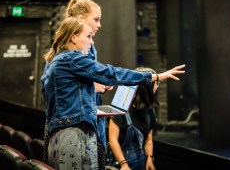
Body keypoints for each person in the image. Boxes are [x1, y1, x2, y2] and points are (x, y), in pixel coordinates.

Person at [41, 17, 185, 169]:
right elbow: (112, 73)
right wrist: (154, 77)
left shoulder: (58, 60)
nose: (92, 42)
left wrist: (93, 87)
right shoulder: (71, 58)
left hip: (63, 133)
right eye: (89, 36)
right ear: (73, 37)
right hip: (72, 134)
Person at [41, 0, 113, 170]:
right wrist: (92, 86)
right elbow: (48, 87)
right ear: (80, 20)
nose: (99, 25)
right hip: (72, 126)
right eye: (96, 19)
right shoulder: (66, 52)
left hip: (85, 121)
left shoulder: (88, 47)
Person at [108, 67, 160, 170]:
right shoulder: (120, 109)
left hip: (141, 159)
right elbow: (112, 140)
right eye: (156, 83)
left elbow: (148, 139)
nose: (157, 86)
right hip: (122, 161)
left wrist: (149, 158)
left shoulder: (150, 110)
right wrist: (124, 164)